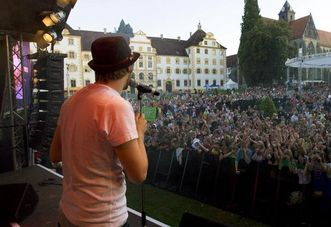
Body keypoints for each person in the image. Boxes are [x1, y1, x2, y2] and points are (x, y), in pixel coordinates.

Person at [50, 36, 148, 227]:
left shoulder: (70, 102)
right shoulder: (115, 106)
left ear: (96, 69)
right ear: (129, 68)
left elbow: (55, 155)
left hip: (68, 214)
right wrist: (139, 132)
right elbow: (139, 174)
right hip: (103, 219)